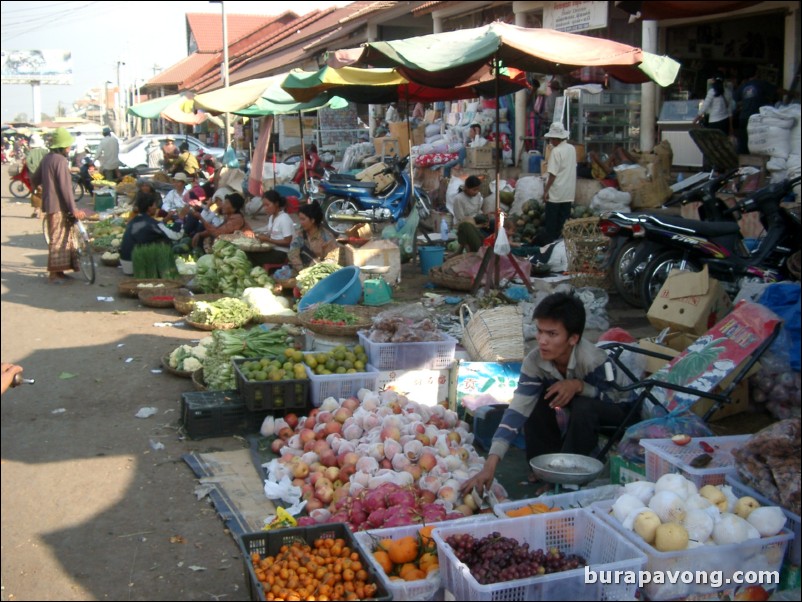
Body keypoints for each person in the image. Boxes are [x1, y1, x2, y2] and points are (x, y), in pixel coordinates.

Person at [460, 292, 628, 494]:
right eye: (539, 331)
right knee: (537, 399)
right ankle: (544, 469)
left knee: (584, 407)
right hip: (576, 406)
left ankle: (566, 477)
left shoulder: (593, 359)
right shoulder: (535, 361)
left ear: (573, 338)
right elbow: (517, 410)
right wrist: (490, 464)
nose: (542, 340)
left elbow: (615, 399)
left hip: (617, 412)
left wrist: (579, 386)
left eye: (552, 334)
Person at [30, 127, 88, 284]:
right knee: (58, 239)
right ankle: (54, 274)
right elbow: (65, 188)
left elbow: (34, 178)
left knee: (63, 238)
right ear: (62, 147)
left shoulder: (47, 158)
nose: (69, 149)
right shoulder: (60, 161)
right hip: (59, 206)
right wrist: (73, 209)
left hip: (50, 204)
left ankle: (60, 272)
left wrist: (41, 188)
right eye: (68, 146)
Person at [119, 189, 183, 276]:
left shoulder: (134, 220)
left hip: (125, 263)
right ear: (149, 208)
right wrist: (181, 218)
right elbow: (176, 235)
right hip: (136, 267)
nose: (156, 207)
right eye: (155, 205)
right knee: (165, 241)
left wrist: (166, 219)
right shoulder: (151, 223)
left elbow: (154, 227)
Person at [537, 122, 576, 246]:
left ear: (555, 138)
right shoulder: (572, 149)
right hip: (568, 193)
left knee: (551, 227)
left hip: (556, 194)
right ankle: (563, 248)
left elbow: (552, 175)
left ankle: (551, 249)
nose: (550, 142)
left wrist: (546, 191)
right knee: (563, 225)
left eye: (551, 139)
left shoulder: (556, 151)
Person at [733, 66, 776, 154]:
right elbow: (777, 91)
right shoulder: (761, 83)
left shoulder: (743, 86)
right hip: (756, 118)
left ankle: (741, 164)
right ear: (756, 73)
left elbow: (735, 100)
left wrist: (744, 104)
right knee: (758, 141)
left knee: (743, 142)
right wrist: (792, 93)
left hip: (744, 117)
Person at [287, 202, 338, 273]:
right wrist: (302, 271)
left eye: (303, 219)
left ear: (312, 220)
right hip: (301, 271)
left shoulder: (326, 238)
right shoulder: (299, 235)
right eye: (300, 219)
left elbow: (332, 259)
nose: (301, 222)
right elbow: (293, 254)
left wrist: (315, 270)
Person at [249, 190, 295, 265]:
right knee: (250, 252)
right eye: (264, 205)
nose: (265, 208)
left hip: (282, 252)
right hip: (273, 248)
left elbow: (287, 242)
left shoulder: (284, 219)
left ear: (276, 204)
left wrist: (268, 239)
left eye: (268, 205)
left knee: (251, 256)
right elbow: (271, 234)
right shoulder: (272, 217)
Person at [452, 175, 494, 253]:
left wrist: (486, 217)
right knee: (479, 239)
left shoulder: (478, 195)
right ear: (466, 188)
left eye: (478, 189)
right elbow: (461, 220)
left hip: (477, 221)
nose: (477, 192)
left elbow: (478, 212)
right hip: (467, 225)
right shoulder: (459, 199)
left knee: (494, 223)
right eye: (474, 190)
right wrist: (478, 226)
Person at [25, 134, 49, 218]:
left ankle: (36, 210)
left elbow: (27, 162)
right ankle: (43, 211)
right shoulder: (45, 151)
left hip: (34, 175)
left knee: (35, 191)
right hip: (44, 174)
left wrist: (32, 170)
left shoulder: (30, 152)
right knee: (45, 192)